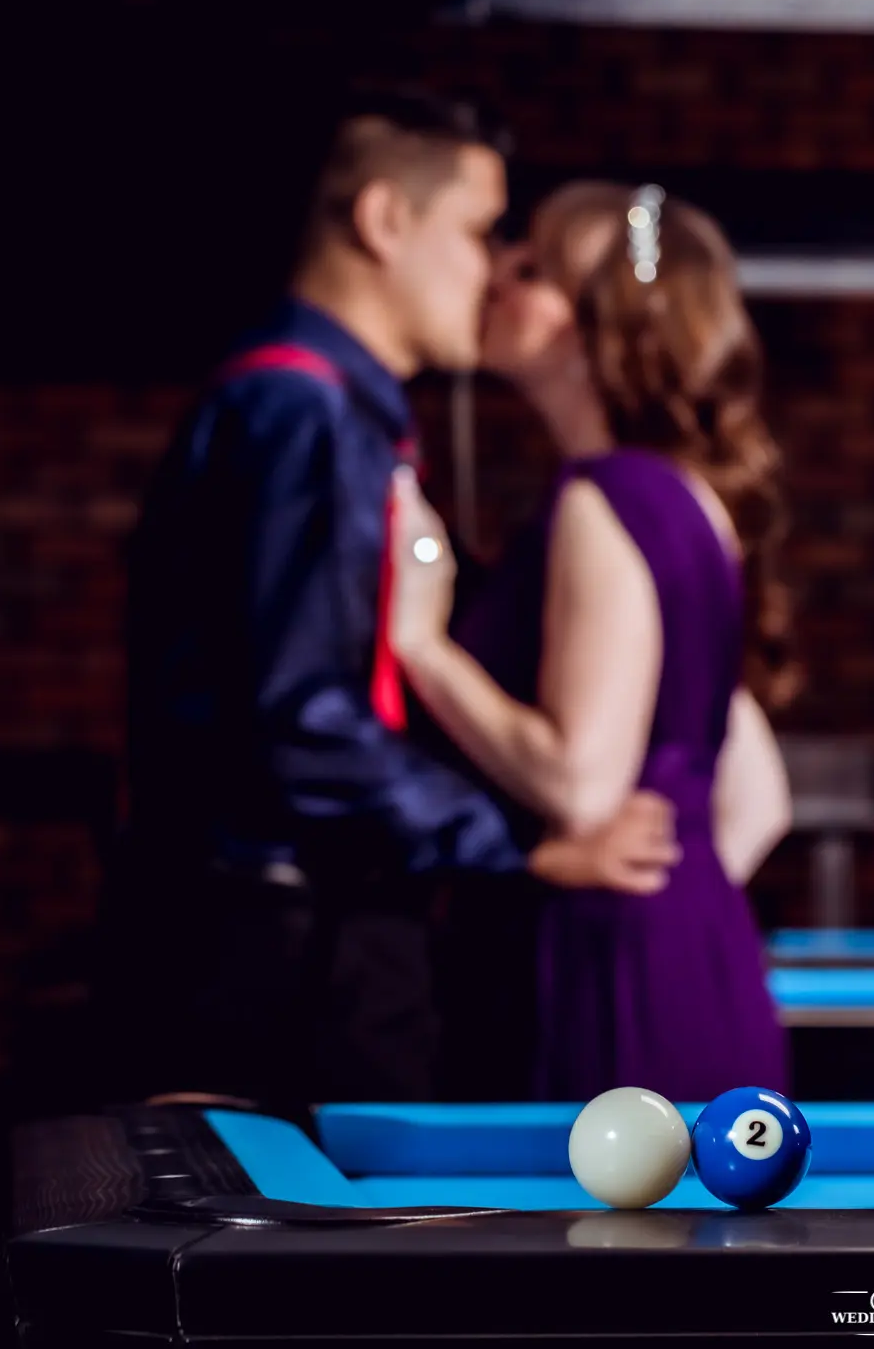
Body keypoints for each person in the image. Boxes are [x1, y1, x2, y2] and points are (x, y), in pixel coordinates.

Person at [100, 89, 678, 1109]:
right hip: (274, 936)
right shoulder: (297, 408)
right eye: (478, 230)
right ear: (383, 220)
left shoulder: (335, 411)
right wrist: (520, 844)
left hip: (303, 920)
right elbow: (302, 721)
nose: (495, 265)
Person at [386, 181, 797, 1101]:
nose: (496, 275)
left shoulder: (603, 497)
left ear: (591, 325)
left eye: (530, 269)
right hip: (698, 955)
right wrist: (681, 896)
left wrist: (422, 644)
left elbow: (580, 782)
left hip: (605, 972)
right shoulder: (696, 500)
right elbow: (759, 797)